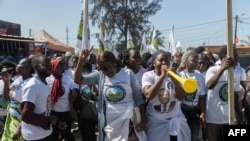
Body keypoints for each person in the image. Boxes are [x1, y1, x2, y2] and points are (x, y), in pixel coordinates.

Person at [74, 48, 146, 141]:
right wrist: (81, 61)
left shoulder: (128, 74)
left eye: (109, 66)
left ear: (114, 62)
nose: (107, 71)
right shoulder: (100, 76)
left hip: (129, 122)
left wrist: (144, 121)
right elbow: (78, 80)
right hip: (109, 125)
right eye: (103, 69)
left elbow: (139, 99)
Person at [141, 50, 191, 141]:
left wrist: (175, 79)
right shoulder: (148, 75)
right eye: (161, 60)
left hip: (176, 119)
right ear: (154, 63)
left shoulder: (175, 75)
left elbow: (180, 97)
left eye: (167, 60)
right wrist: (162, 76)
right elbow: (148, 95)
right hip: (156, 122)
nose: (164, 62)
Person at [21, 54, 67, 141]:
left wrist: (57, 122)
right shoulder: (33, 85)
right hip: (34, 136)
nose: (49, 67)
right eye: (46, 65)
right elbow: (26, 115)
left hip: (45, 133)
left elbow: (46, 109)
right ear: (36, 66)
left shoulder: (45, 84)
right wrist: (48, 120)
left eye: (50, 65)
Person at [205, 46, 243, 141]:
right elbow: (209, 85)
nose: (237, 57)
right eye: (235, 55)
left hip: (230, 118)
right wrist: (222, 69)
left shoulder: (236, 72)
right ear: (225, 56)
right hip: (213, 119)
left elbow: (235, 95)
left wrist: (239, 115)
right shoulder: (212, 70)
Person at [1, 58, 33, 141]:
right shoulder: (17, 80)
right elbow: (7, 99)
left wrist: (20, 128)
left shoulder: (32, 83)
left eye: (20, 64)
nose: (17, 65)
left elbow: (31, 109)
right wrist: (6, 81)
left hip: (23, 122)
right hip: (12, 120)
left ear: (28, 68)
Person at [46, 57, 78, 141]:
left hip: (65, 112)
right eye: (57, 67)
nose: (59, 69)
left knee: (66, 133)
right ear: (52, 67)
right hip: (52, 112)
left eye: (61, 67)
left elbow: (74, 87)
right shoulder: (47, 79)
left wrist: (72, 107)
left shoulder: (67, 79)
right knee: (53, 135)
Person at [178, 51, 206, 141]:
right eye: (193, 60)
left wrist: (203, 112)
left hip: (194, 112)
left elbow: (201, 97)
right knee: (182, 137)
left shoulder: (200, 77)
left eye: (197, 60)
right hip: (182, 110)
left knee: (193, 137)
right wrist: (178, 69)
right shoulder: (179, 74)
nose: (196, 63)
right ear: (185, 61)